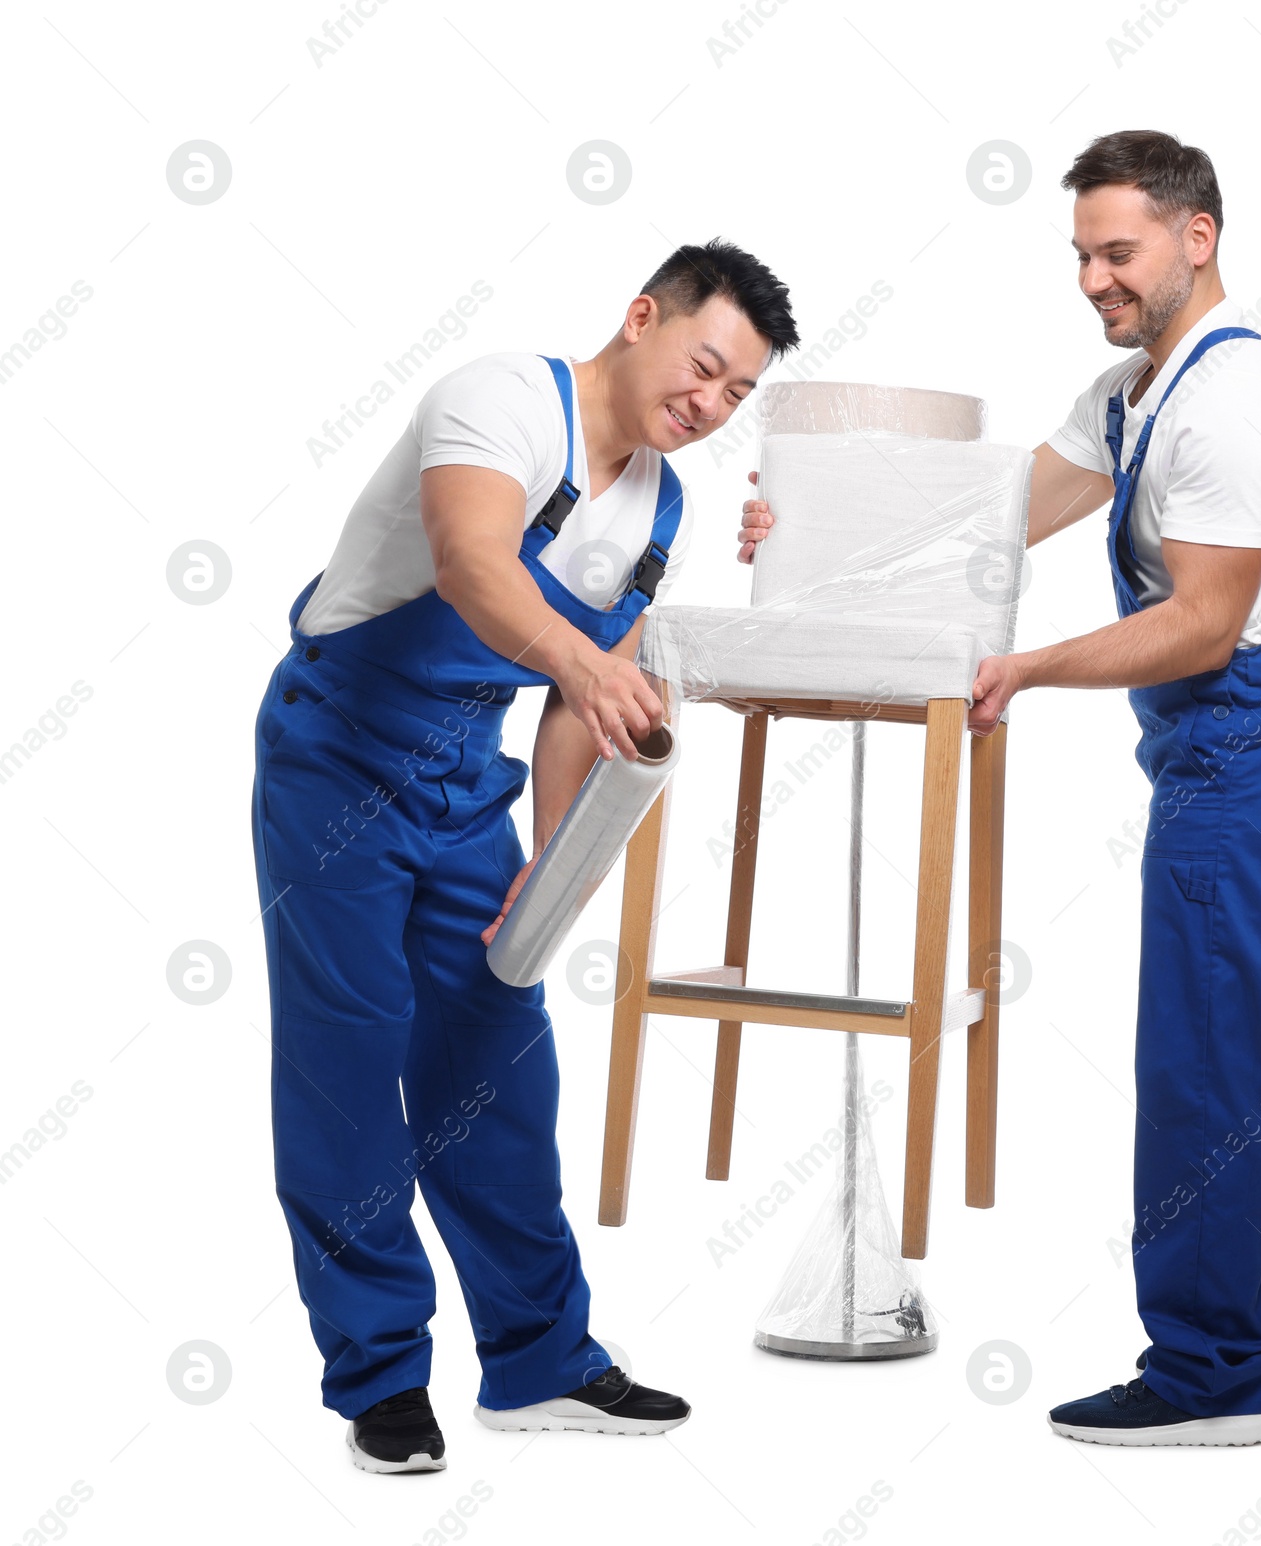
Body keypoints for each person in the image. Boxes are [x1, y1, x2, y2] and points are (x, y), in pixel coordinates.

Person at [740, 130, 1261, 1448]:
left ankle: (1209, 1373)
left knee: (1201, 1055)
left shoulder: (1234, 403)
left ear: (1199, 236)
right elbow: (991, 508)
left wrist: (1028, 664)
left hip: (1251, 747)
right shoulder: (1136, 391)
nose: (1092, 277)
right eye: (1079, 253)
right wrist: (808, 529)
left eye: (1116, 250)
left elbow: (1201, 624)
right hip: (1221, 749)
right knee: (1245, 1049)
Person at [252, 238, 797, 1473]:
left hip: (465, 781)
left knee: (500, 1061)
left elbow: (571, 707)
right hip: (339, 751)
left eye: (734, 395)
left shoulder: (663, 506)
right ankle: (381, 1376)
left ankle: (541, 1358)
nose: (705, 406)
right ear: (641, 316)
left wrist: (550, 859)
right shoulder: (501, 402)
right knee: (350, 1060)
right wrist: (591, 665)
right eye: (702, 366)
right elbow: (474, 566)